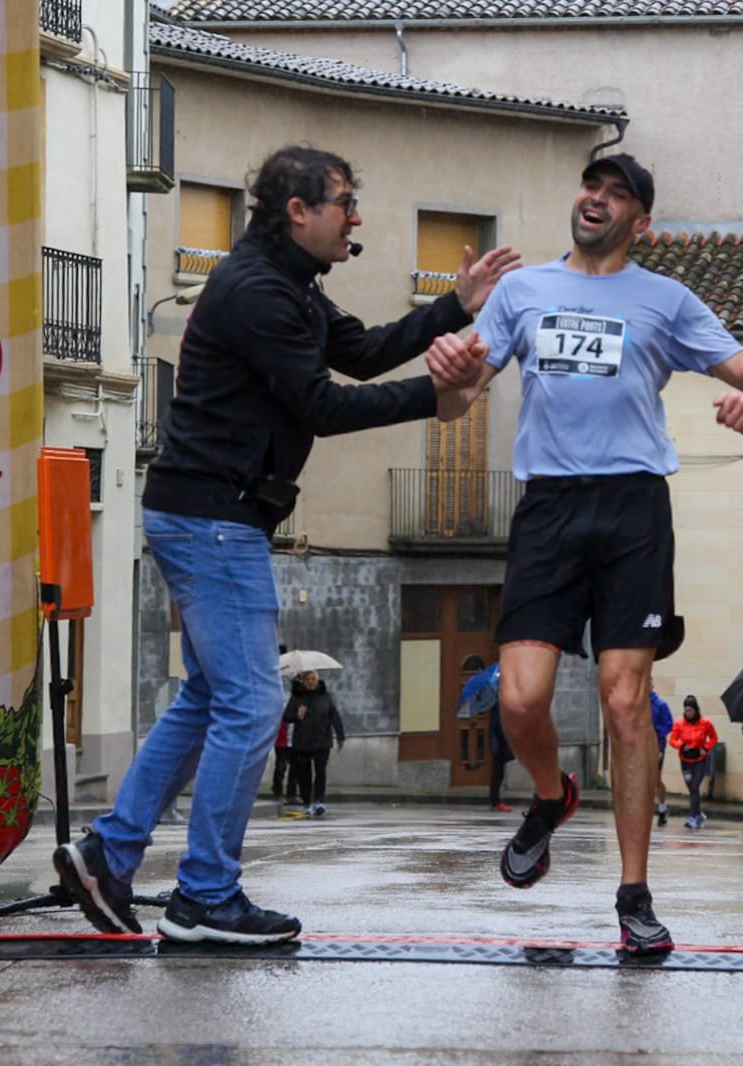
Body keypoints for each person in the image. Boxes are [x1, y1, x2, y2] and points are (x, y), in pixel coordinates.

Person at [53, 144, 520, 945]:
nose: (357, 217)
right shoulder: (257, 293)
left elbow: (365, 350)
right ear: (297, 210)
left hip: (208, 515)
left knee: (210, 697)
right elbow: (321, 406)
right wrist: (439, 397)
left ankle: (110, 851)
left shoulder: (289, 287)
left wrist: (455, 306)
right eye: (344, 201)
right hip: (212, 520)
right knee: (253, 702)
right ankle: (204, 894)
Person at [431, 152, 743, 956]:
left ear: (641, 221)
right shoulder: (522, 293)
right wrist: (450, 371)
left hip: (632, 509)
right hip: (549, 507)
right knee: (519, 699)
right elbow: (457, 404)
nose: (596, 199)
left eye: (617, 193)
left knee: (626, 704)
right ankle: (552, 797)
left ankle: (633, 895)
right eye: (592, 186)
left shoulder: (666, 300)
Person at [283, 670, 345, 816]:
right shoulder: (297, 697)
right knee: (304, 775)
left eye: (313, 679)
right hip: (302, 742)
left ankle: (319, 801)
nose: (310, 682)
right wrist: (298, 715)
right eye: (307, 680)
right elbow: (286, 717)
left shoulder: (325, 696)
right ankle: (307, 802)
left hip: (322, 741)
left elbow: (334, 716)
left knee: (320, 772)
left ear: (317, 680)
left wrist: (340, 736)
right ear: (303, 682)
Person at [668, 695, 718, 829]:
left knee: (695, 786)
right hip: (685, 760)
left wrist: (706, 748)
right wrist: (681, 745)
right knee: (691, 788)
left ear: (696, 710)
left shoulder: (705, 723)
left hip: (700, 760)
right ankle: (699, 814)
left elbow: (713, 738)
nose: (688, 713)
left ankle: (692, 817)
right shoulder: (679, 724)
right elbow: (672, 740)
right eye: (686, 711)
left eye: (690, 711)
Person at [649, 691, 673, 826]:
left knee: (656, 778)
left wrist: (656, 731)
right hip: (641, 745)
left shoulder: (660, 704)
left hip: (657, 745)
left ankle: (662, 807)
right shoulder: (639, 703)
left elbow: (669, 724)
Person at [488, 705, 516, 812]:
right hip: (499, 745)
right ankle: (495, 801)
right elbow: (496, 727)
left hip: (501, 743)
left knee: (499, 773)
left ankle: (495, 801)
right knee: (498, 773)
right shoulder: (497, 708)